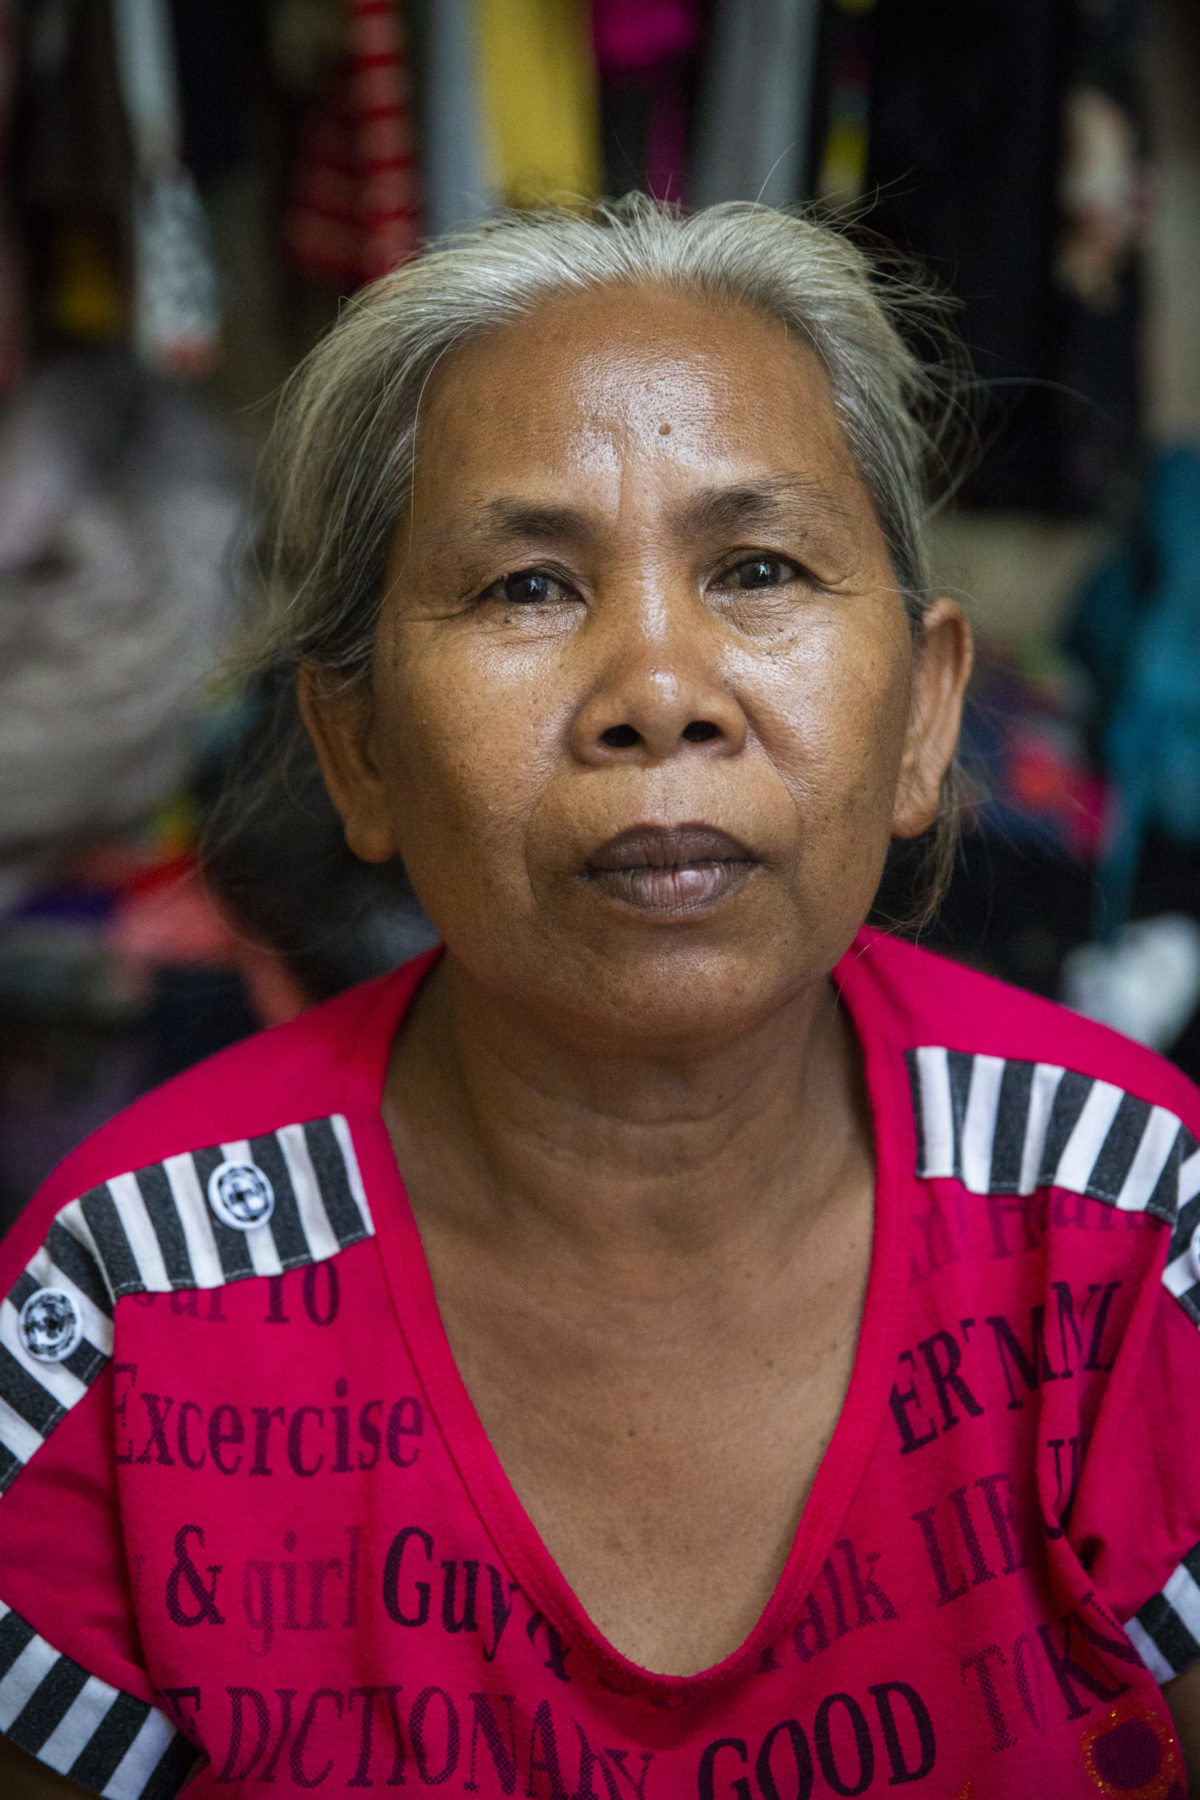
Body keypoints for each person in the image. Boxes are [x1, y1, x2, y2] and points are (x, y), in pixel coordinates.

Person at [0, 195, 1198, 1799]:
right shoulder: (123, 1313)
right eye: (526, 588)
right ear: (357, 749)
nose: (656, 695)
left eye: (758, 566)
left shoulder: (1130, 1226)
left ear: (926, 714)